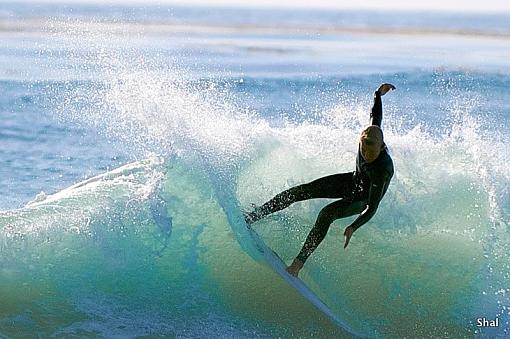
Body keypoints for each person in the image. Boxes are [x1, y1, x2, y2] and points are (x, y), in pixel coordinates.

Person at [244, 83, 395, 277]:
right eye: (363, 150)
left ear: (382, 147)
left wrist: (353, 226)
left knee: (326, 214)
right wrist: (378, 95)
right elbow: (375, 118)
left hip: (363, 199)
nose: (366, 155)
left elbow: (372, 207)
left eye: (371, 152)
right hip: (353, 181)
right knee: (299, 191)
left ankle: (297, 265)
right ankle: (253, 216)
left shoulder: (382, 168)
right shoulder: (370, 135)